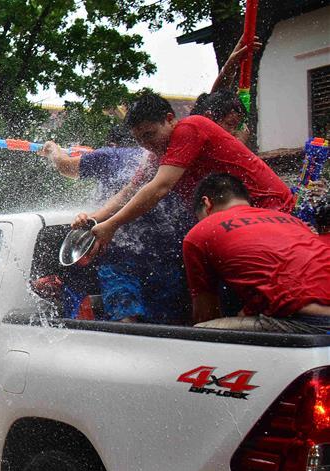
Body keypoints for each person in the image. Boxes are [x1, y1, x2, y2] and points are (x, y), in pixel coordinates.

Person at [79, 91, 295, 255]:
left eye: (150, 135)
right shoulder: (160, 153)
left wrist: (113, 224)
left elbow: (159, 188)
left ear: (170, 118)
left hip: (271, 214)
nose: (147, 145)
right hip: (235, 223)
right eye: (140, 140)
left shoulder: (189, 128)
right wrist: (95, 218)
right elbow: (129, 191)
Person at [42, 125, 189, 323]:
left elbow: (65, 166)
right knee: (166, 325)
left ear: (112, 143)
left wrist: (52, 149)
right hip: (167, 256)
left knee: (126, 321)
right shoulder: (162, 158)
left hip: (120, 257)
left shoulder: (108, 155)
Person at [183, 174, 330, 333]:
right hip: (313, 313)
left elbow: (206, 314)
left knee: (200, 332)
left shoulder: (200, 232)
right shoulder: (291, 220)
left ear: (207, 203)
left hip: (310, 324)